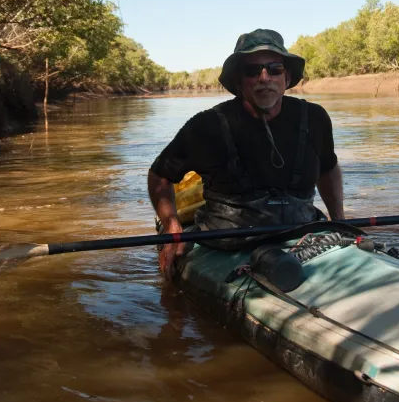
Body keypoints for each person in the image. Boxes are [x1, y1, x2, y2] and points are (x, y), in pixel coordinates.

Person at [148, 28, 345, 279]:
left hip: (302, 232)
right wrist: (172, 228)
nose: (265, 77)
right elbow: (159, 175)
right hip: (227, 241)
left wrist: (339, 220)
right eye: (253, 71)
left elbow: (328, 167)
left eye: (275, 69)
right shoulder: (205, 126)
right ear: (238, 82)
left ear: (287, 77)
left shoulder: (316, 118)